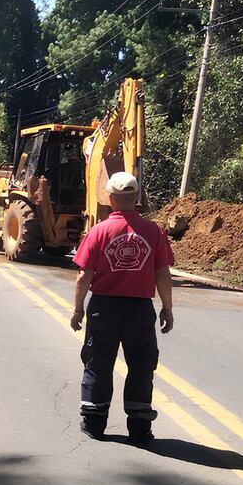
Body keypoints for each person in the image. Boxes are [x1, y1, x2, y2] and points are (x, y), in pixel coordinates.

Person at [70, 172, 175, 442]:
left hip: (104, 308)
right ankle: (139, 428)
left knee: (98, 362)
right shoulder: (153, 231)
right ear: (135, 197)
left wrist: (78, 308)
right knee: (141, 365)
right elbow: (162, 272)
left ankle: (94, 422)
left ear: (110, 198)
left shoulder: (99, 230)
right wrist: (167, 307)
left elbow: (84, 274)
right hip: (139, 310)